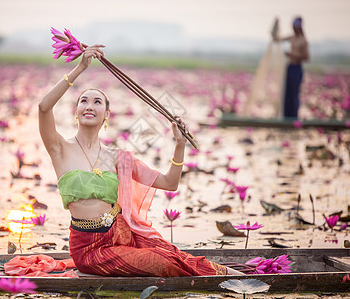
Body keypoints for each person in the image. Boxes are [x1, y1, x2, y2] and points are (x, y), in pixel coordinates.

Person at [38, 44, 244, 277]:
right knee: (161, 263)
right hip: (88, 250)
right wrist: (80, 67)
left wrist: (179, 145)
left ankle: (231, 274)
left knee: (171, 254)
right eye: (84, 101)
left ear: (106, 115)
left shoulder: (118, 157)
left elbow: (169, 183)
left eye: (98, 102)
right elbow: (44, 107)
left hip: (120, 235)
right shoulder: (60, 149)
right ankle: (225, 275)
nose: (89, 106)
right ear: (76, 112)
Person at [274, 16, 310, 119]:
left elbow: (306, 57)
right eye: (293, 26)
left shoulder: (303, 41)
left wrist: (292, 55)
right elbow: (278, 39)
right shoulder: (292, 38)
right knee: (287, 93)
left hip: (297, 68)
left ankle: (294, 116)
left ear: (300, 27)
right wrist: (275, 29)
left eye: (296, 26)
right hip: (289, 67)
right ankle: (286, 116)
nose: (294, 28)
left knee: (294, 93)